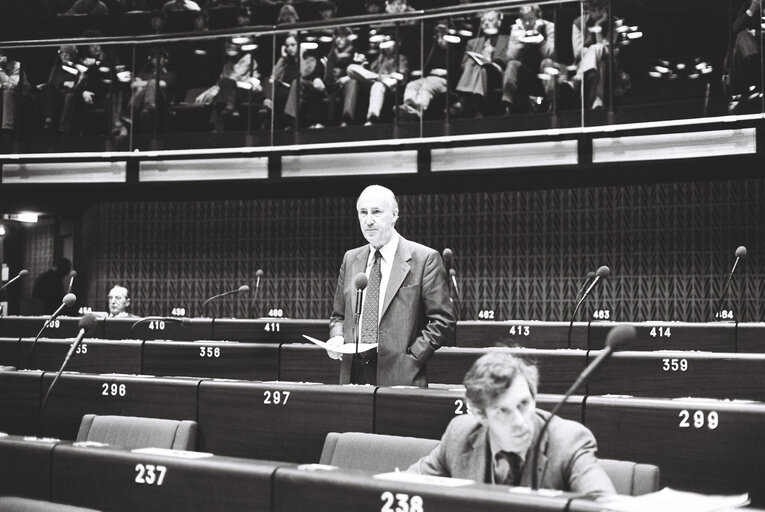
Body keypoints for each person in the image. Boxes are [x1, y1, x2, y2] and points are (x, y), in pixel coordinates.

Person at [408, 352, 616, 496]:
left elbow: (603, 503)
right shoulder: (460, 435)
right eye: (502, 411)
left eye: (524, 404)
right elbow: (402, 486)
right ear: (481, 415)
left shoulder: (568, 441)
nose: (519, 421)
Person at [327, 185, 454, 387]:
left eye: (376, 212)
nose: (369, 220)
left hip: (401, 374)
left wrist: (411, 357)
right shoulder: (351, 259)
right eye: (363, 213)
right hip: (353, 374)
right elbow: (339, 317)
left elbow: (442, 321)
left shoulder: (424, 259)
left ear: (394, 215)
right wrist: (337, 337)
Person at [451, 9, 510, 117]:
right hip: (478, 72)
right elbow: (463, 65)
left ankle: (464, 100)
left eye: (490, 20)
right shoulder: (473, 42)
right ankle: (478, 98)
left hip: (497, 71)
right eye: (483, 21)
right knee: (474, 64)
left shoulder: (507, 40)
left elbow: (508, 59)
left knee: (482, 66)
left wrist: (491, 60)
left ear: (499, 22)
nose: (486, 23)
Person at [397, 22, 460, 120]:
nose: (440, 40)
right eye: (438, 36)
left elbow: (458, 72)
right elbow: (427, 67)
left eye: (443, 36)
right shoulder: (433, 51)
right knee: (412, 85)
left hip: (444, 81)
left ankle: (419, 109)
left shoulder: (455, 51)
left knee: (426, 87)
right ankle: (408, 106)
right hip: (429, 77)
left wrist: (446, 72)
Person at [503, 4, 556, 114]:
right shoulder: (516, 29)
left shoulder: (549, 27)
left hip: (543, 71)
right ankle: (508, 105)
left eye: (531, 19)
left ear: (538, 18)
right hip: (525, 72)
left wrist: (540, 39)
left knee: (548, 63)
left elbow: (551, 53)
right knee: (512, 64)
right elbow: (510, 56)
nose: (527, 23)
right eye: (524, 20)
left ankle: (553, 103)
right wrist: (520, 40)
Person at [345, 35, 409, 125]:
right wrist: (362, 65)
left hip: (389, 85)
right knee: (351, 69)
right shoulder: (379, 59)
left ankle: (372, 118)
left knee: (377, 85)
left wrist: (392, 78)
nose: (387, 48)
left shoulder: (400, 58)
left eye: (389, 45)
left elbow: (402, 77)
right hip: (378, 80)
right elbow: (369, 73)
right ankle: (347, 118)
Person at [572, 0, 610, 110]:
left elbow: (606, 50)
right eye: (593, 10)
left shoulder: (613, 22)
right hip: (586, 64)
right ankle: (597, 102)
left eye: (600, 9)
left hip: (609, 66)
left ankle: (578, 78)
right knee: (599, 63)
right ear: (587, 10)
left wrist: (598, 27)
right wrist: (590, 54)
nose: (597, 14)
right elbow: (577, 52)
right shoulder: (578, 23)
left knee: (597, 49)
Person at [725, 0, 761, 112]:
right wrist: (751, 10)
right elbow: (733, 29)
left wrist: (757, 34)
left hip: (759, 42)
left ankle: (738, 92)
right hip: (752, 48)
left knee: (742, 40)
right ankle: (753, 84)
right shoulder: (748, 5)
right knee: (741, 36)